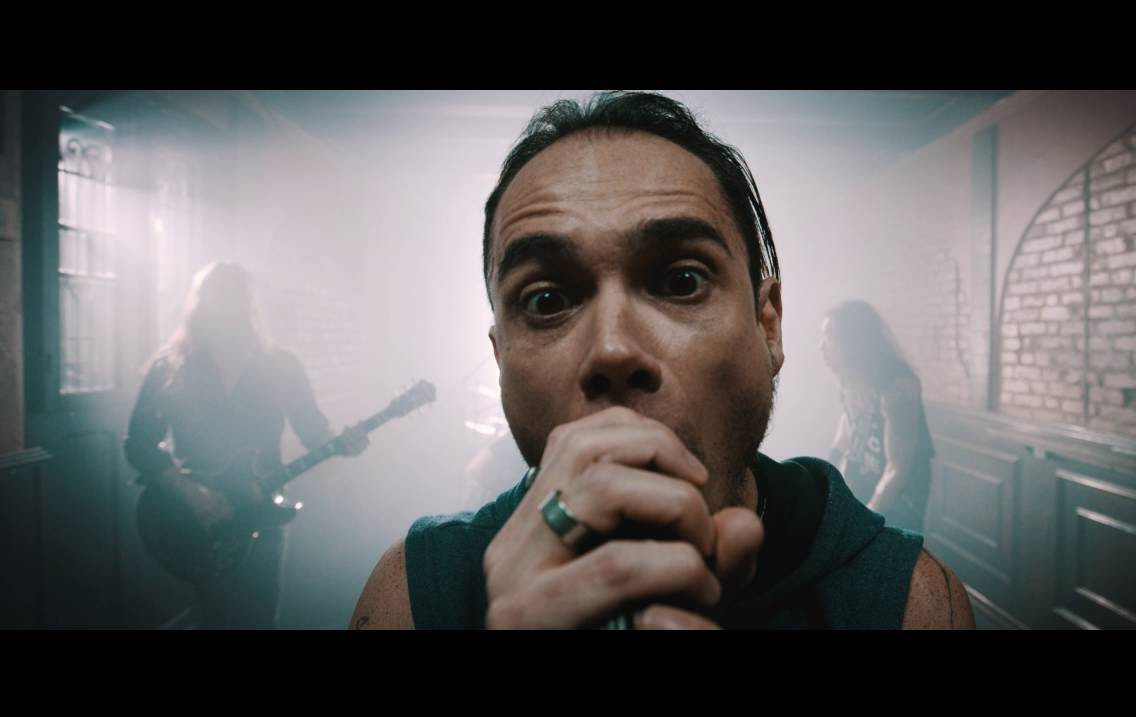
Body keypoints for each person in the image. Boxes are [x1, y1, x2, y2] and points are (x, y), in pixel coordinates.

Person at [351, 91, 973, 629]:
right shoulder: (414, 594)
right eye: (546, 300)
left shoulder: (907, 601)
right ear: (500, 360)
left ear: (769, 326)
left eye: (681, 281)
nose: (613, 349)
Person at [125, 261, 368, 629]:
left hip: (262, 511)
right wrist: (190, 493)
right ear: (200, 307)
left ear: (249, 307)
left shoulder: (281, 366)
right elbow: (140, 443)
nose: (227, 309)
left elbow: (313, 431)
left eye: (235, 299)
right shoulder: (171, 367)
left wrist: (346, 443)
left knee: (257, 617)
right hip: (195, 519)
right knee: (210, 617)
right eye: (218, 299)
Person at [823, 301, 936, 534]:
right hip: (867, 485)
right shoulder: (849, 380)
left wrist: (865, 523)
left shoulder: (897, 387)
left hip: (899, 500)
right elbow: (845, 438)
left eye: (830, 337)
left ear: (853, 342)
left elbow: (897, 470)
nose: (821, 346)